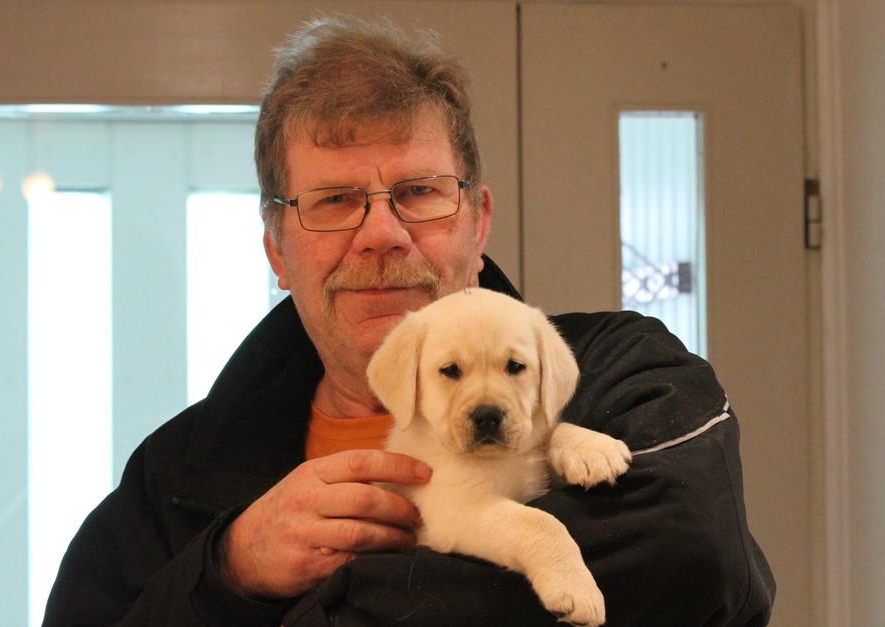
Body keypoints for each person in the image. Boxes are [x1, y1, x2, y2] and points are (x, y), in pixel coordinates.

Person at [44, 15, 775, 627]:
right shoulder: (179, 473)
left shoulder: (622, 370)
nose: (381, 234)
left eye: (419, 191)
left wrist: (334, 605)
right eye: (334, 201)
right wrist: (226, 571)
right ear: (276, 250)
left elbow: (694, 557)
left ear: (478, 221)